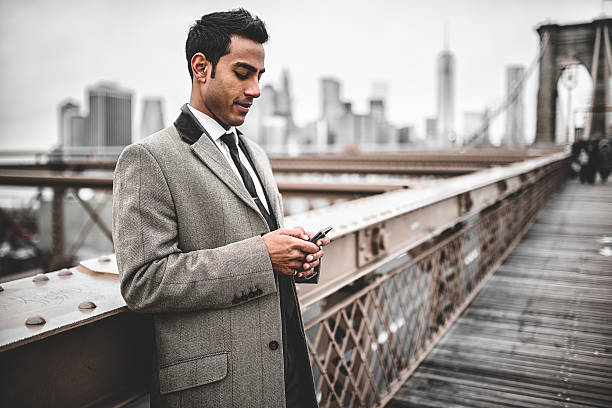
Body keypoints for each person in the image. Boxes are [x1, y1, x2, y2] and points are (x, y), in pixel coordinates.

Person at [112, 9, 329, 407]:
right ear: (201, 68)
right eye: (243, 73)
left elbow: (261, 249)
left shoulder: (256, 153)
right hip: (218, 390)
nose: (256, 90)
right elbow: (143, 282)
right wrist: (263, 257)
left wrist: (298, 260)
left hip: (288, 373)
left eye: (260, 77)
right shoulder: (147, 158)